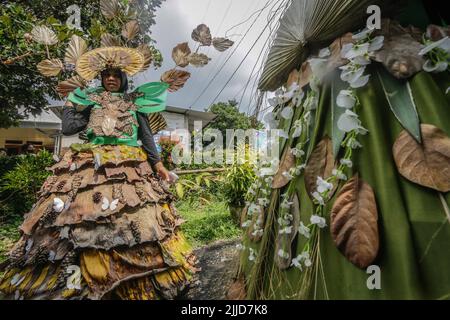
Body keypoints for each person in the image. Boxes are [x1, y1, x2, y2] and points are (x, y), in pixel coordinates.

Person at [0, 47, 197, 300]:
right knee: (80, 221)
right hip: (91, 168)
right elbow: (70, 127)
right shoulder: (90, 99)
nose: (111, 79)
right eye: (106, 75)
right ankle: (76, 281)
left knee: (134, 220)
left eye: (116, 75)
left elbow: (146, 136)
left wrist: (159, 166)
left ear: (123, 78)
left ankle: (131, 280)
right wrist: (77, 104)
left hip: (129, 168)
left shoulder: (134, 101)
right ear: (101, 78)